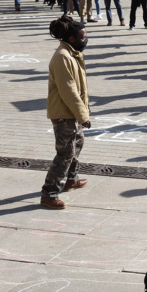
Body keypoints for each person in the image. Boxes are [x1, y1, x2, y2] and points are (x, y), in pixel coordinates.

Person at [42, 15, 91, 209]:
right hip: (64, 113)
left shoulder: (71, 53)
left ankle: (70, 179)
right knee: (65, 153)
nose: (85, 40)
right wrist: (83, 115)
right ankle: (49, 193)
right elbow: (68, 89)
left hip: (71, 112)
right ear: (71, 39)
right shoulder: (63, 56)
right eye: (82, 38)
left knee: (77, 143)